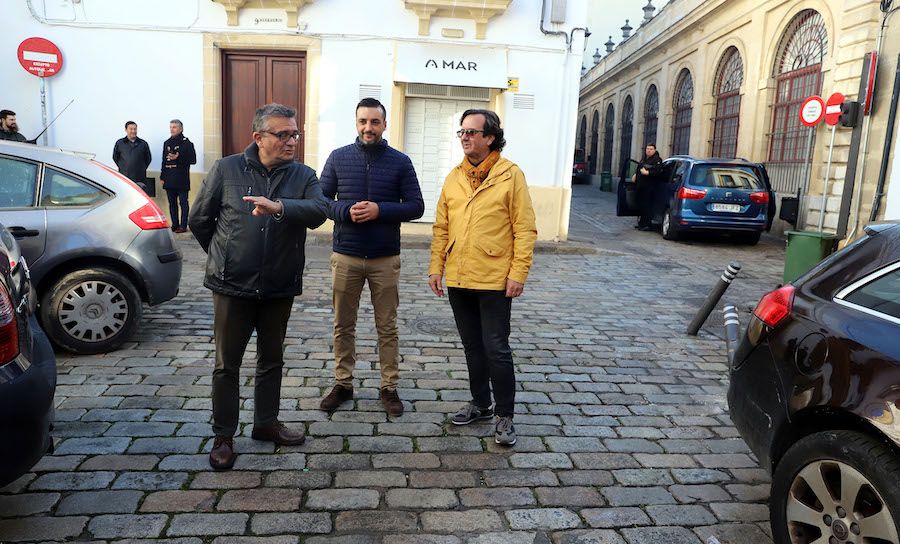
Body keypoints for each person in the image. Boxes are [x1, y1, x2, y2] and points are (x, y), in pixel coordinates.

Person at [188, 103, 329, 470]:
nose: (291, 141)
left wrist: (280, 207)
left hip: (279, 285)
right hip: (232, 285)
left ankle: (266, 423)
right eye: (282, 134)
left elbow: (319, 211)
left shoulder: (303, 175)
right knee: (226, 364)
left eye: (294, 133)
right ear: (258, 137)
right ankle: (224, 435)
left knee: (272, 359)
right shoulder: (227, 169)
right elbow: (200, 220)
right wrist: (227, 255)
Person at [427, 109, 537, 447]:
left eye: (472, 132)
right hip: (460, 277)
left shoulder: (510, 175)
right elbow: (441, 226)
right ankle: (480, 404)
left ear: (490, 137)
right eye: (462, 131)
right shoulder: (454, 176)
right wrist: (436, 266)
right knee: (472, 346)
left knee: (496, 348)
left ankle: (505, 415)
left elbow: (525, 228)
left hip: (494, 278)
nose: (465, 137)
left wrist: (518, 273)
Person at [318, 98, 425, 417]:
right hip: (346, 255)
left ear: (385, 124)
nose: (369, 127)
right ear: (356, 123)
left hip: (384, 257)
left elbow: (416, 206)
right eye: (363, 121)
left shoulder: (400, 162)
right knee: (343, 324)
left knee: (387, 326)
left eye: (375, 122)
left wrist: (381, 210)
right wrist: (345, 211)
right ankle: (343, 383)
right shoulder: (338, 158)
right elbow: (321, 201)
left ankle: (389, 387)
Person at [160, 119, 197, 233]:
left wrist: (178, 158)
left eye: (174, 127)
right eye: (171, 127)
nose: (172, 129)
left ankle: (183, 225)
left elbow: (193, 160)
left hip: (181, 179)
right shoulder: (166, 143)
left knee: (183, 203)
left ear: (181, 129)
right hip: (169, 178)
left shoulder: (187, 143)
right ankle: (175, 224)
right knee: (172, 204)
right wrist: (162, 176)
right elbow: (164, 161)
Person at [633, 143, 665, 231]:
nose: (649, 150)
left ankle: (647, 224)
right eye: (647, 149)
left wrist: (648, 173)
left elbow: (658, 172)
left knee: (647, 206)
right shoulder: (644, 158)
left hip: (649, 187)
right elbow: (639, 168)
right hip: (640, 186)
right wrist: (636, 175)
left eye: (651, 149)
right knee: (641, 205)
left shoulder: (657, 160)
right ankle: (641, 223)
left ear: (654, 150)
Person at [113, 121, 152, 190]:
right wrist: (124, 167)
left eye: (135, 129)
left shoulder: (143, 144)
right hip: (125, 178)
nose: (133, 131)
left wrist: (141, 168)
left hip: (140, 178)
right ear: (126, 130)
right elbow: (115, 157)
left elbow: (148, 159)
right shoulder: (120, 143)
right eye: (131, 129)